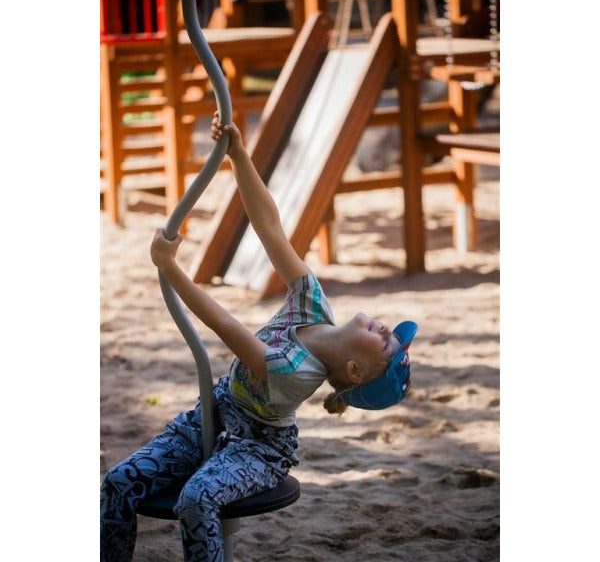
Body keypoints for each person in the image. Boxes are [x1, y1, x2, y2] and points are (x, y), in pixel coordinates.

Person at [100, 112, 416, 562]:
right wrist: (239, 158)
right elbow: (270, 229)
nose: (386, 328)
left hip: (259, 448)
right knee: (119, 483)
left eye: (386, 344)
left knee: (197, 499)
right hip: (214, 413)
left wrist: (171, 268)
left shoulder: (295, 374)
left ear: (353, 371)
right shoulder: (313, 303)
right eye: (391, 332)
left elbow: (227, 327)